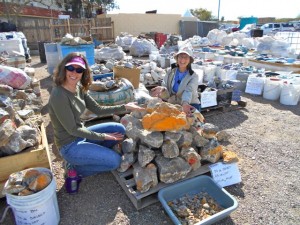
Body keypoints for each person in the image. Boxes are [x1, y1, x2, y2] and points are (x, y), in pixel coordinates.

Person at [48, 52, 145, 178]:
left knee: (119, 130)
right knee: (115, 162)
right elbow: (72, 129)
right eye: (71, 68)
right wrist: (103, 136)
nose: (74, 73)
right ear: (64, 69)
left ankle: (92, 155)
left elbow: (98, 109)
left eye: (79, 70)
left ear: (83, 72)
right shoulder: (59, 95)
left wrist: (125, 107)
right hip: (69, 145)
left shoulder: (79, 87)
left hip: (80, 134)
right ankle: (74, 168)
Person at [151, 47, 200, 116]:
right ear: (177, 58)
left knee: (193, 123)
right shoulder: (170, 71)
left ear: (189, 60)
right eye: (181, 56)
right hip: (174, 103)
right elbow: (165, 85)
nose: (183, 59)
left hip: (189, 104)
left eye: (186, 57)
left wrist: (185, 103)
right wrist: (162, 89)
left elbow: (189, 91)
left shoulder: (193, 76)